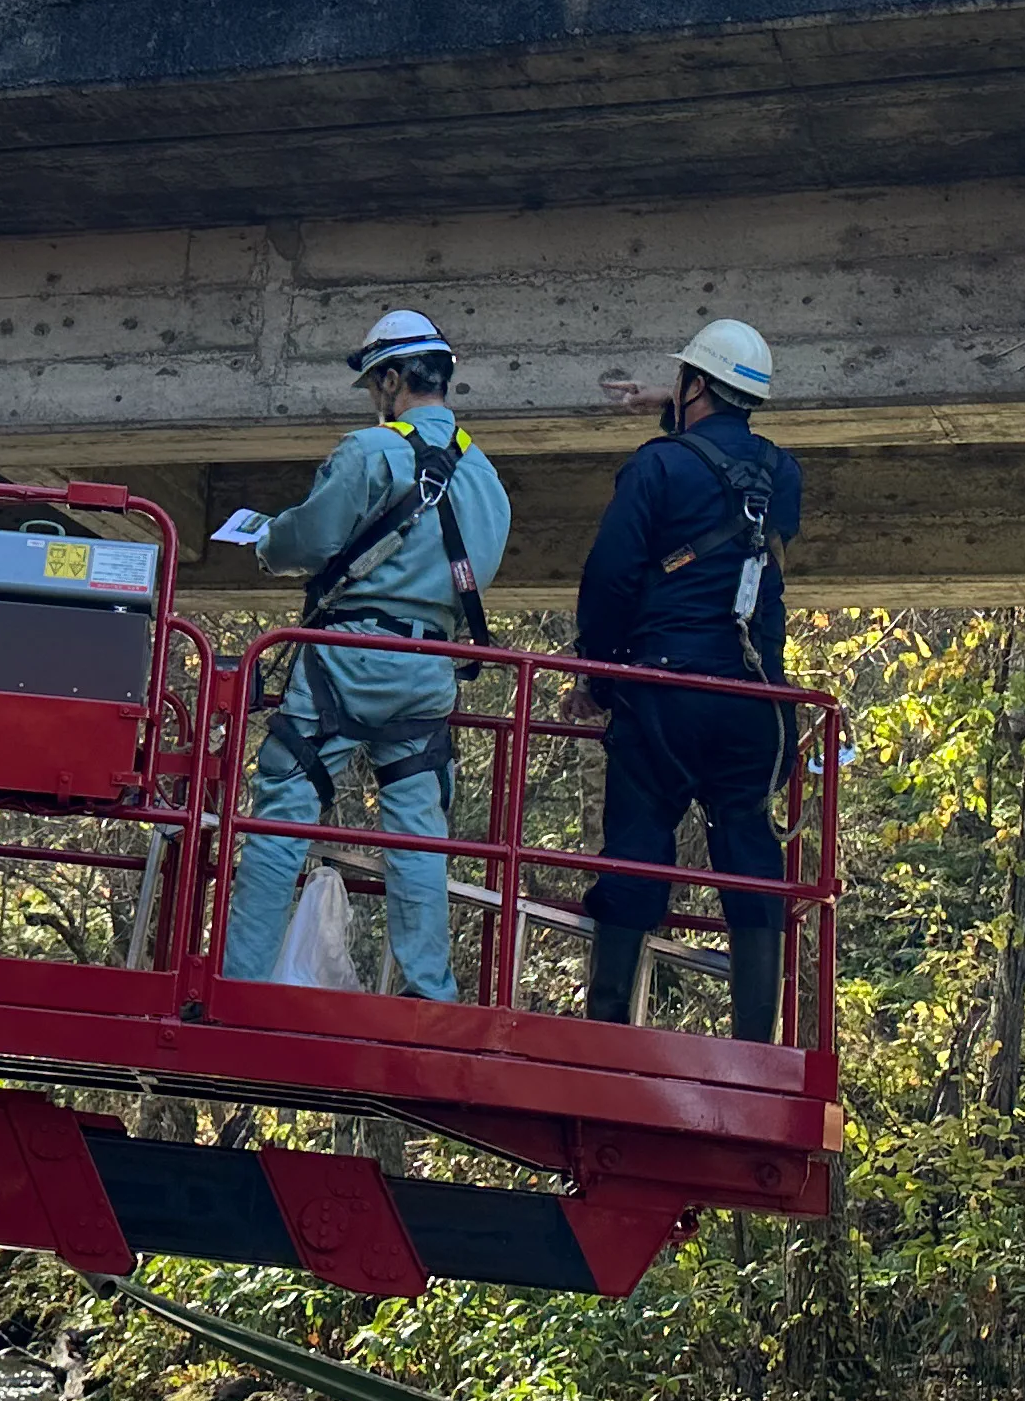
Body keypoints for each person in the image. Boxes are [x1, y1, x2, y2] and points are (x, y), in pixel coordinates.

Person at [219, 306, 512, 1003]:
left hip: (345, 660)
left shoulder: (369, 452)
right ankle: (428, 991)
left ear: (389, 379)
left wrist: (266, 544)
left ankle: (242, 980)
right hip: (427, 670)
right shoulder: (486, 478)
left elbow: (308, 541)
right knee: (417, 828)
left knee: (283, 807)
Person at [573, 317, 803, 1041]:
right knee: (748, 846)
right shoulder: (781, 474)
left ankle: (611, 1029)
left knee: (639, 838)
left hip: (663, 692)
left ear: (695, 384)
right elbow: (729, 490)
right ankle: (757, 1043)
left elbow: (610, 577)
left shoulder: (654, 467)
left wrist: (598, 676)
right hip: (752, 700)